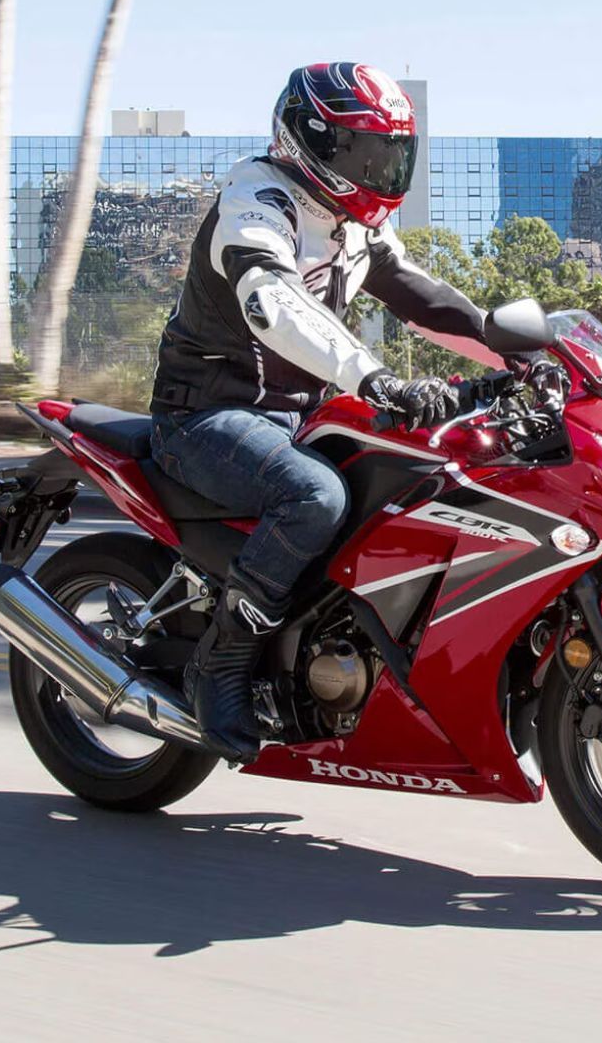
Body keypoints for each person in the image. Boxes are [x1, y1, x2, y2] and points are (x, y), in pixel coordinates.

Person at [148, 62, 497, 762]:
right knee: (316, 495)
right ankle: (223, 662)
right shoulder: (258, 201)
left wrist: (514, 350)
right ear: (310, 141)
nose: (382, 171)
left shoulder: (350, 223)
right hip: (207, 418)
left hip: (298, 416)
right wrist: (375, 380)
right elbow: (271, 303)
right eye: (365, 153)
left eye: (393, 154)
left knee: (422, 472)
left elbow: (423, 298)